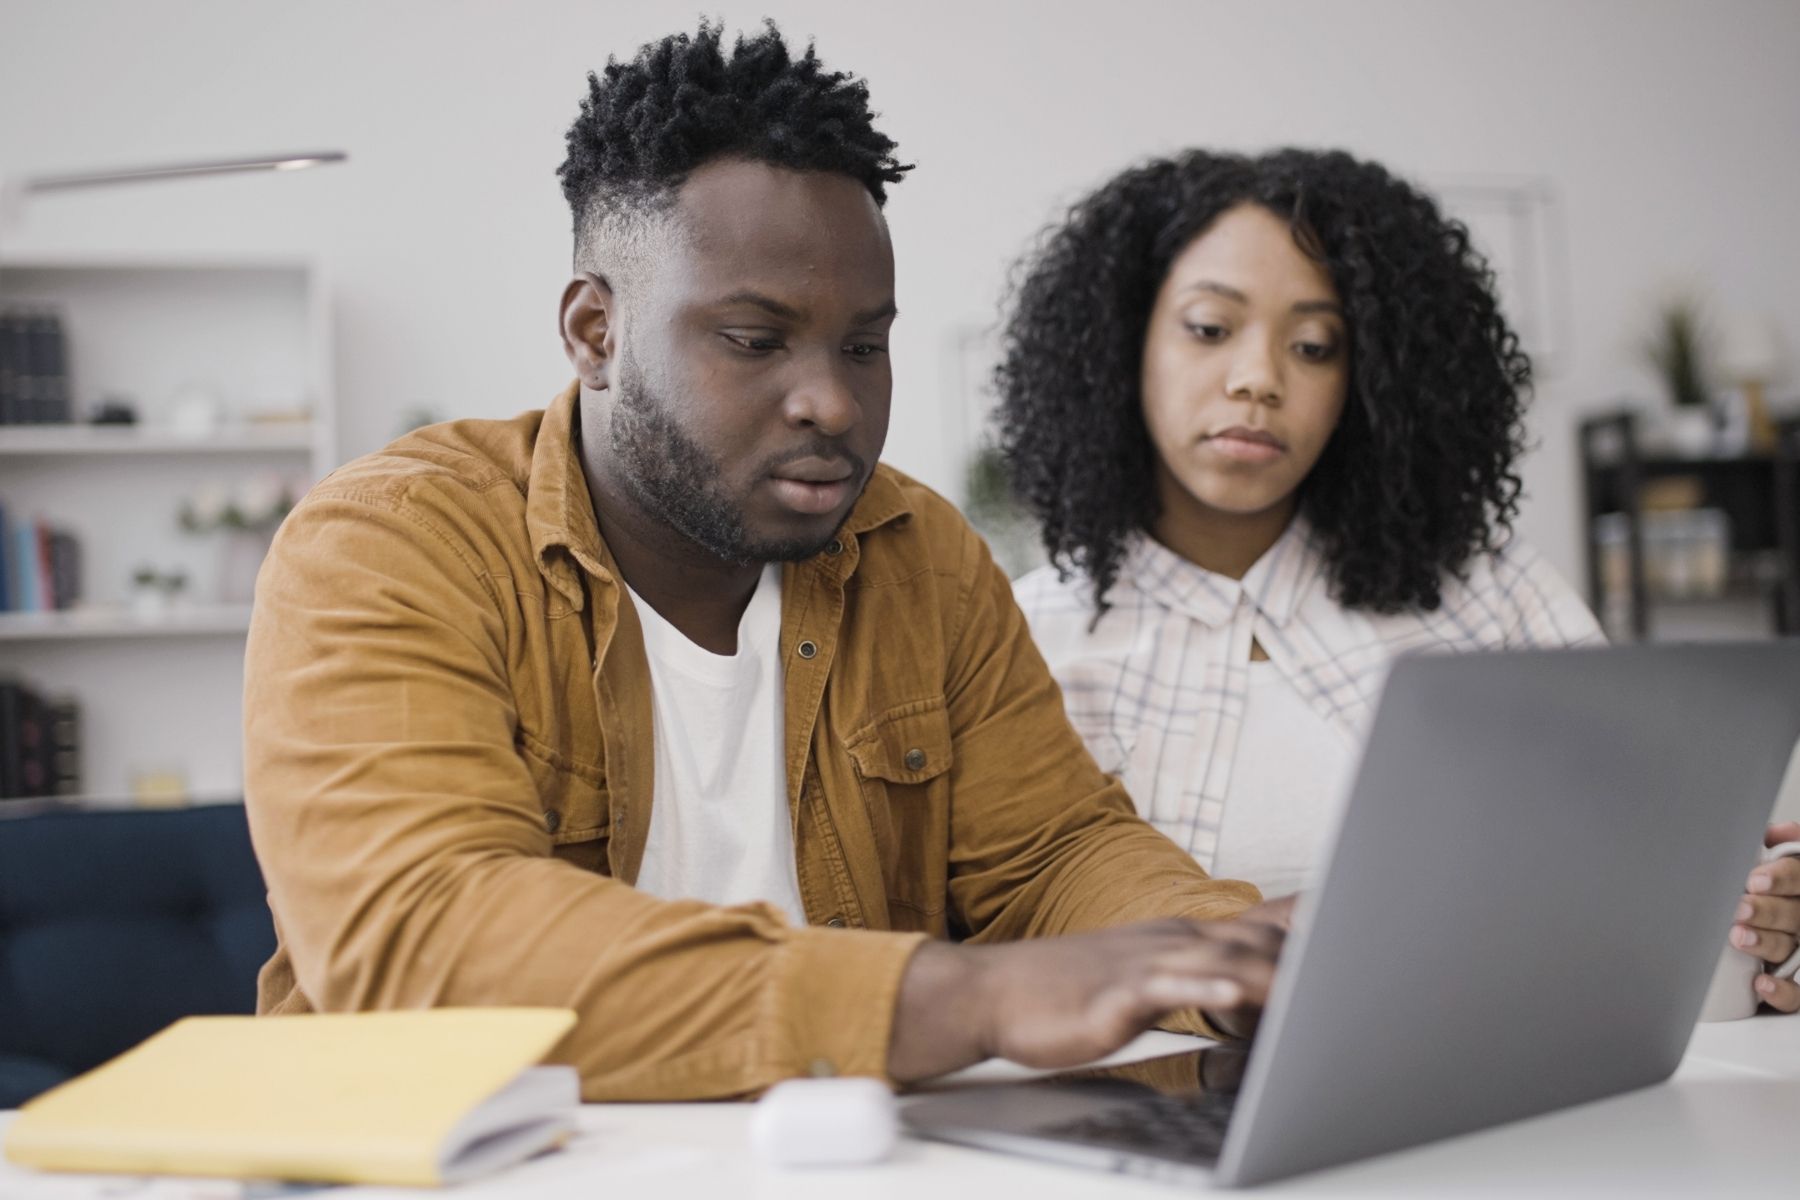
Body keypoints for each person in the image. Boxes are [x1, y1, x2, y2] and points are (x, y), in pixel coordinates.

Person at [242, 23, 1289, 1105]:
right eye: (753, 339)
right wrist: (954, 998)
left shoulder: (921, 557)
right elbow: (422, 938)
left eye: (864, 345)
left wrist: (1229, 959)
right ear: (596, 331)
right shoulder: (391, 544)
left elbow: (1052, 854)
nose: (833, 402)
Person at [1001, 148, 1800, 1013]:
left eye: (1314, 346)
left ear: (1369, 379)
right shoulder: (1024, 639)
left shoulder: (1491, 597)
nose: (1259, 379)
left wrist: (1770, 933)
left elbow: (1664, 857)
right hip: (1151, 1110)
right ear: (1125, 346)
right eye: (1209, 327)